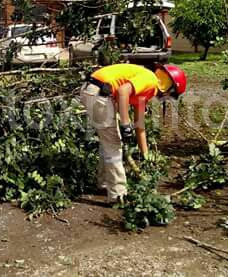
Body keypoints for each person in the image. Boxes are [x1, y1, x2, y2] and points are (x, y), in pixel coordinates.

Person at [80, 63, 187, 202]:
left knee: (108, 141)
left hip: (94, 90)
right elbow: (123, 91)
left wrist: (145, 156)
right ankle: (118, 195)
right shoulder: (150, 80)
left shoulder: (145, 91)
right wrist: (125, 124)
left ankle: (104, 183)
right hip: (99, 92)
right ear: (169, 87)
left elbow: (140, 126)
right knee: (113, 145)